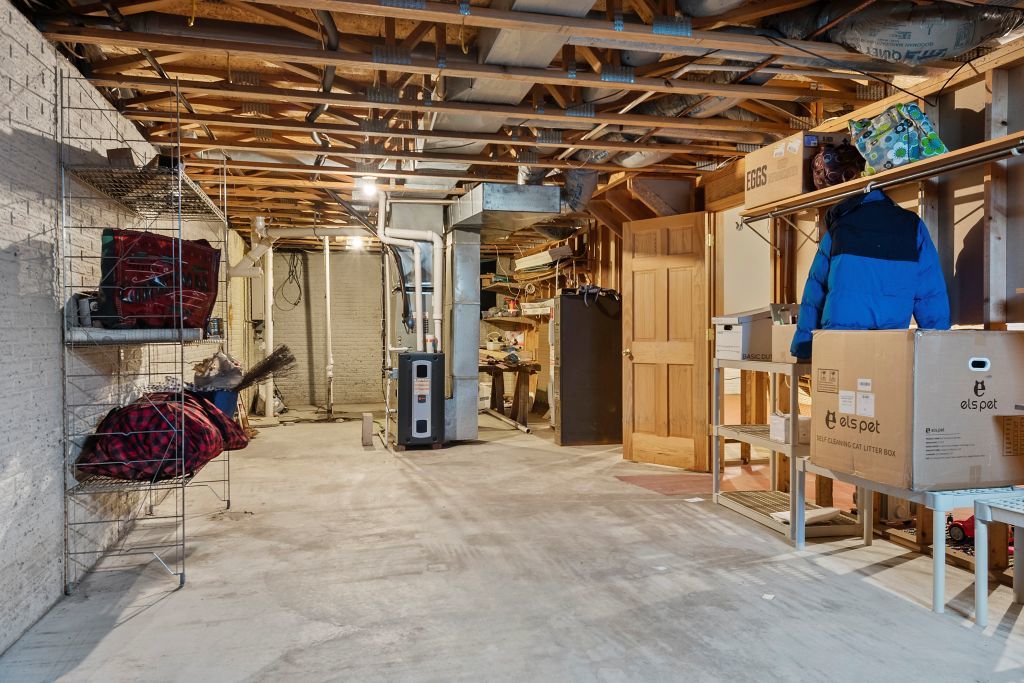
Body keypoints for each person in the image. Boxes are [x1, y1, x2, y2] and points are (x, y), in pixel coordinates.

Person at [790, 188, 950, 359]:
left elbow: (815, 289)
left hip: (841, 339)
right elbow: (930, 291)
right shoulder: (912, 225)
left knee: (843, 375)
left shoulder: (839, 227)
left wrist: (804, 344)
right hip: (890, 339)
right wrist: (938, 347)